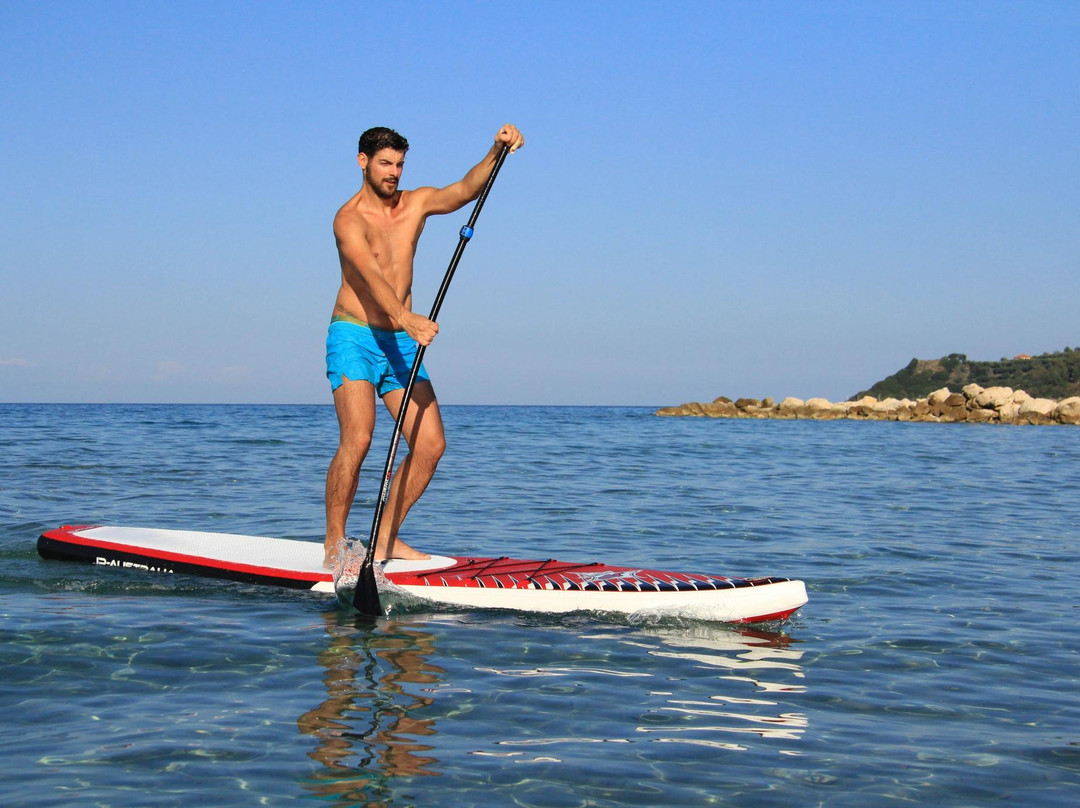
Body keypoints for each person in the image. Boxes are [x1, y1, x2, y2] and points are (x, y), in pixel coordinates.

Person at [324, 123, 525, 567]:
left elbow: (463, 191)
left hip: (401, 339)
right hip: (355, 335)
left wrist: (496, 150)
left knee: (431, 444)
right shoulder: (348, 218)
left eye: (399, 164)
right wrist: (405, 316)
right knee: (358, 439)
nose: (393, 172)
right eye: (384, 163)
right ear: (363, 162)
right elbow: (369, 275)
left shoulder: (414, 204)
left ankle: (385, 540)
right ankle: (334, 544)